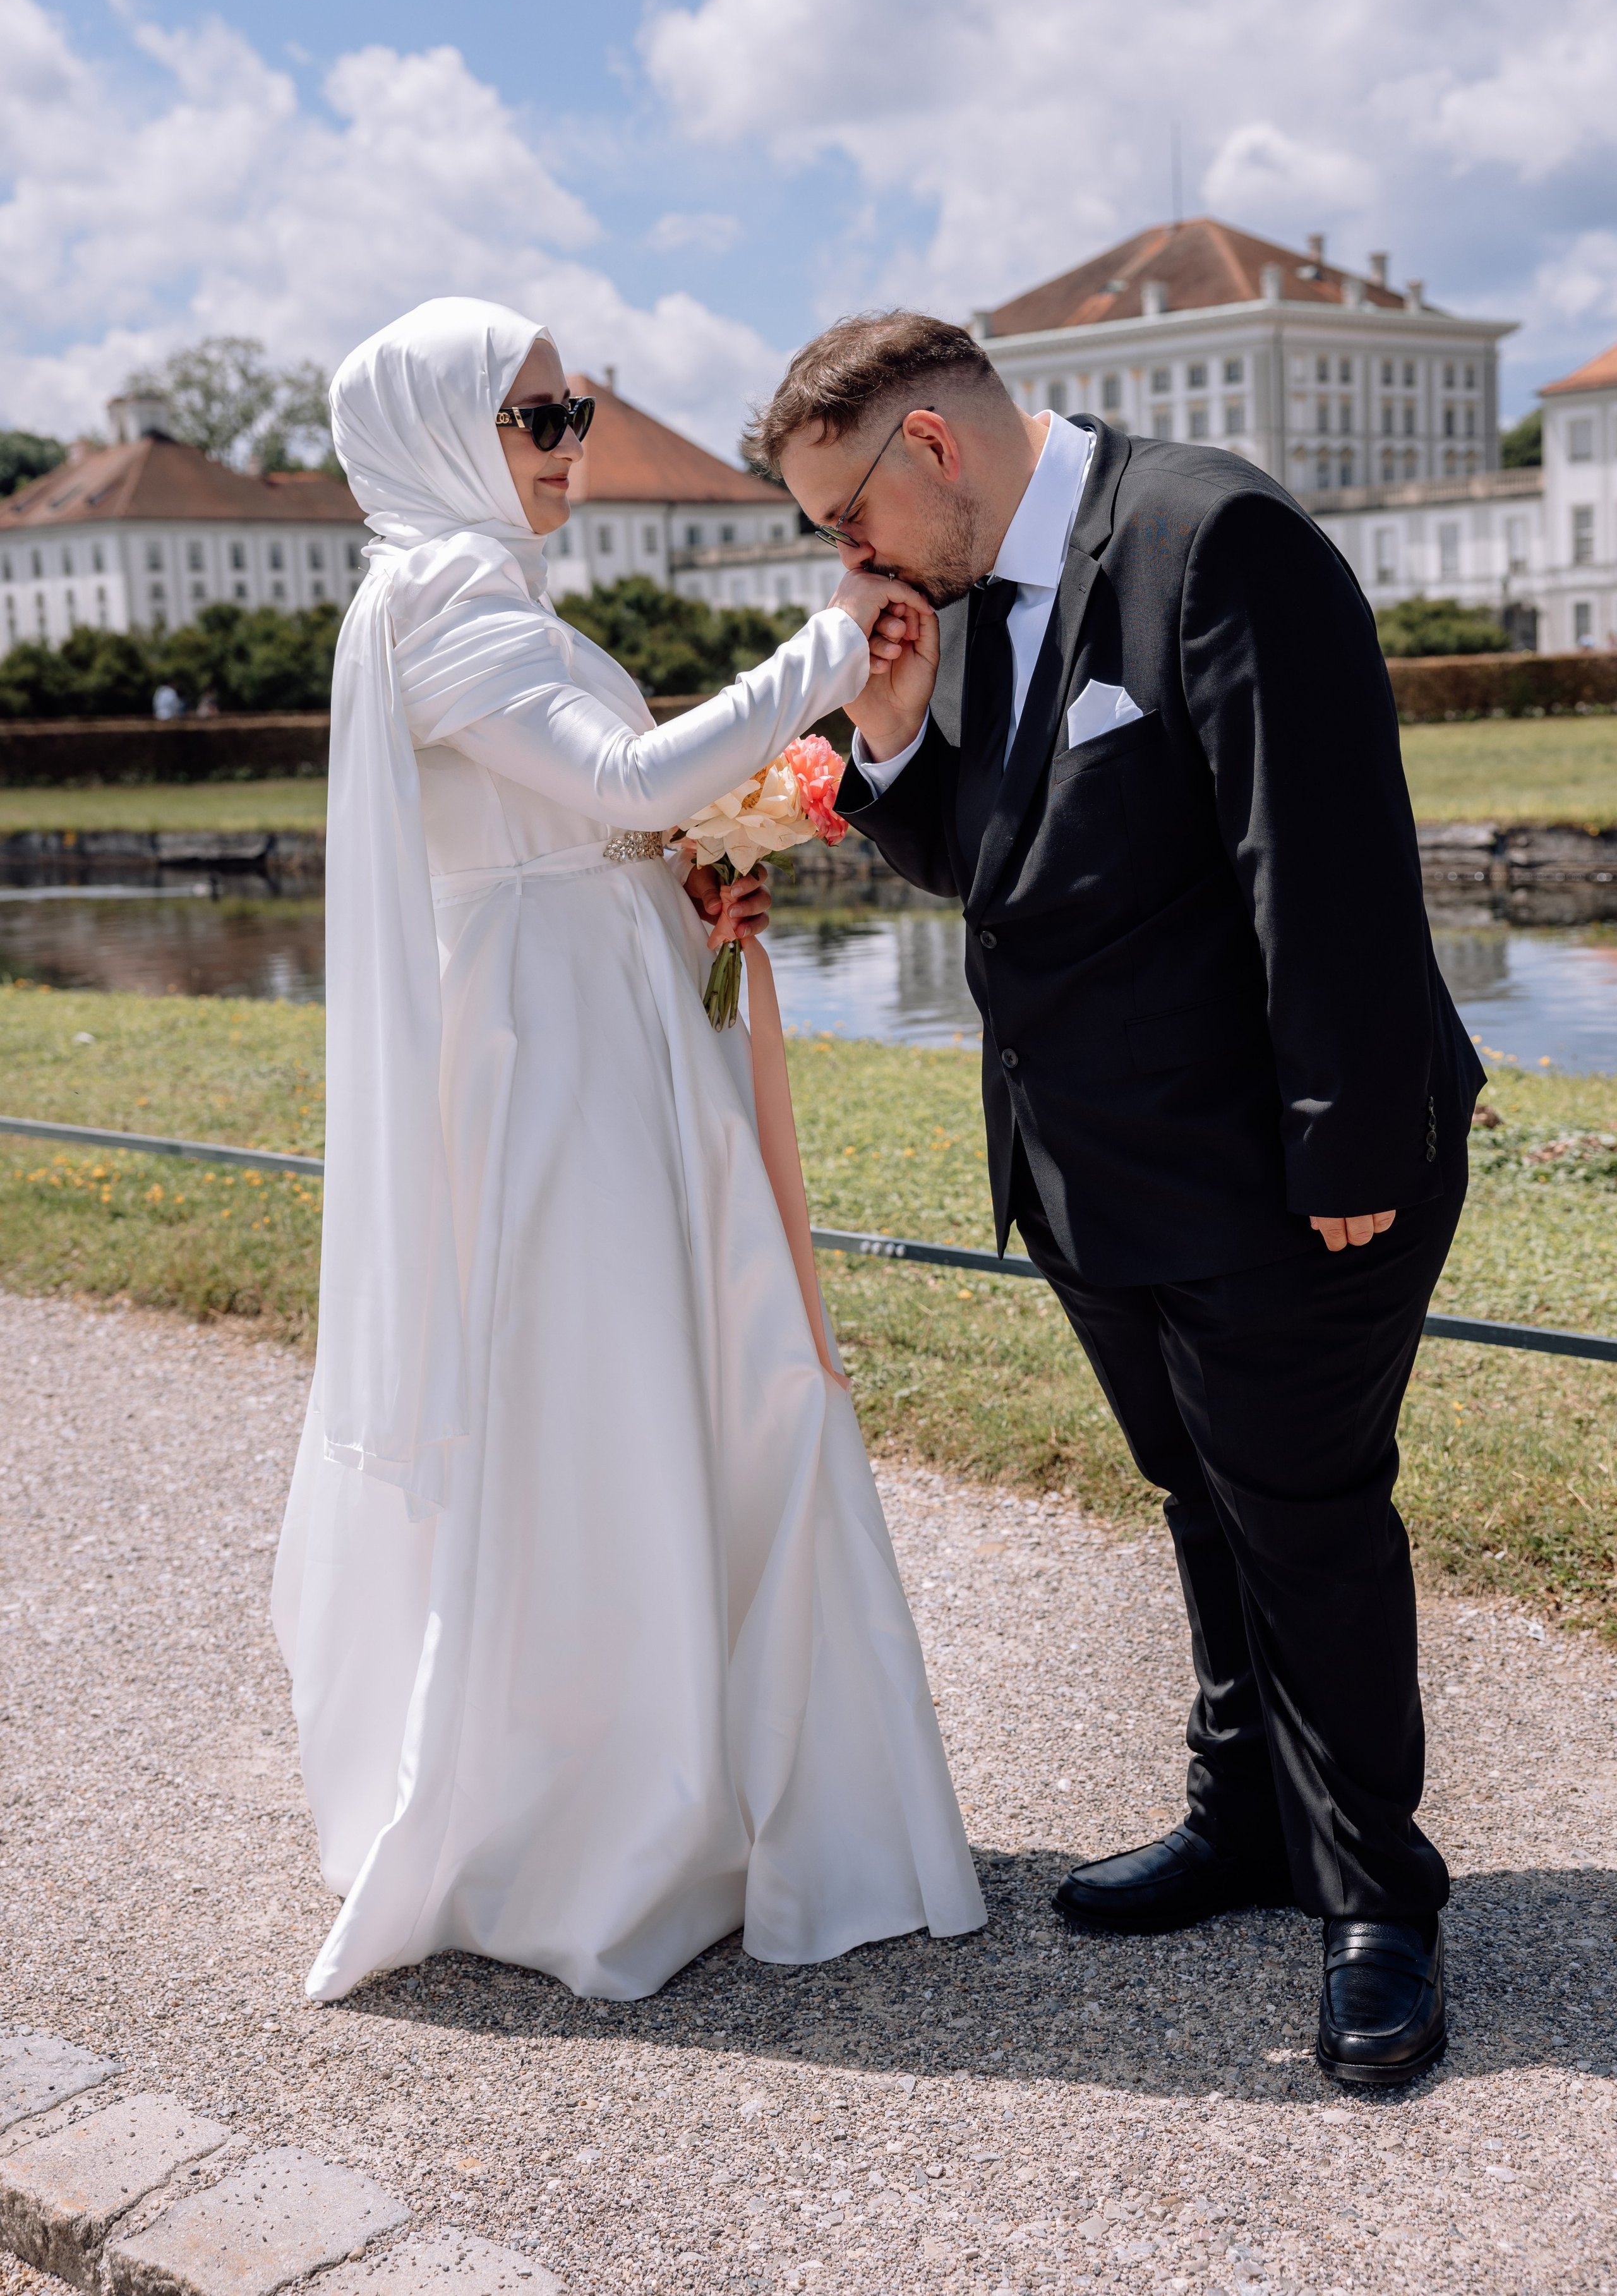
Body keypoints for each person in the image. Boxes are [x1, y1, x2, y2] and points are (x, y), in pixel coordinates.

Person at [747, 311, 1484, 2091]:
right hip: (1088, 1179)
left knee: (1304, 1514)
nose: (842, 562)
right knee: (1199, 1502)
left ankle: (1378, 1898)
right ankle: (1242, 1820)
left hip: (1276, 1175)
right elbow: (999, 882)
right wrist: (905, 735)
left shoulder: (1212, 540)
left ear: (930, 447)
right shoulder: (968, 606)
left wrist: (1351, 1152)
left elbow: (1321, 860)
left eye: (842, 516)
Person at [272, 297, 985, 2004]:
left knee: (670, 1374)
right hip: (553, 1061)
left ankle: (692, 1787)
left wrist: (690, 875)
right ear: (444, 432)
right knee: (598, 1394)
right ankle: (600, 1816)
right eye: (537, 419)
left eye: (576, 410)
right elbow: (612, 777)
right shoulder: (441, 597)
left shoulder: (482, 594)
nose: (573, 446)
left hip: (603, 1022)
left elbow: (603, 822)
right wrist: (830, 653)